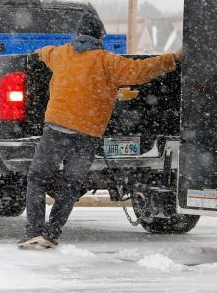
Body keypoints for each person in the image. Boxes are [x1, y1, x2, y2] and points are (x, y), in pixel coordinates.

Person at [18, 13, 183, 248]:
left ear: (77, 35)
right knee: (71, 184)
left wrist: (37, 52)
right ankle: (51, 234)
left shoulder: (61, 54)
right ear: (100, 37)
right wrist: (172, 59)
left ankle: (33, 232)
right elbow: (141, 71)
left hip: (56, 127)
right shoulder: (107, 61)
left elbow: (44, 51)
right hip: (87, 133)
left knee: (37, 177)